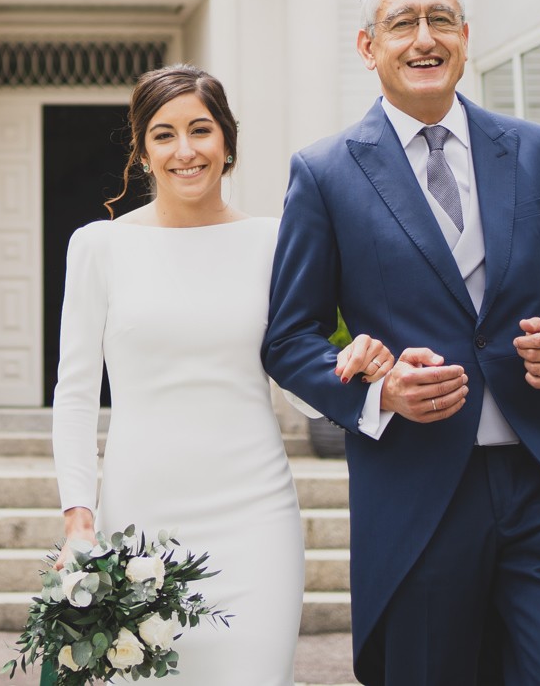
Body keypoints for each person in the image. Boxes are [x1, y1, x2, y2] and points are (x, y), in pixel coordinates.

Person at [262, 0, 540, 686]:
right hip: (418, 488)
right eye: (402, 22)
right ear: (368, 47)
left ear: (464, 36)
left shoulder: (539, 151)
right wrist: (379, 393)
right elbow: (290, 339)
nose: (424, 37)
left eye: (440, 19)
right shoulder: (325, 173)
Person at [52, 64, 395, 685]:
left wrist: (351, 369)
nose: (185, 150)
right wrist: (79, 518)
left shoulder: (274, 241)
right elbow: (75, 395)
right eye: (164, 134)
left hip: (255, 514)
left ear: (228, 142)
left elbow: (299, 381)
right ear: (142, 151)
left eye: (201, 130)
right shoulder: (98, 247)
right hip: (140, 513)